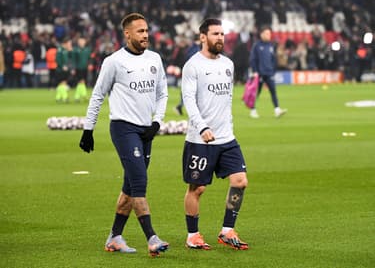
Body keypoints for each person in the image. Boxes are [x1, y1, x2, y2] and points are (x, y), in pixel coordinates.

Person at [79, 13, 169, 257]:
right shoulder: (114, 61)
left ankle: (114, 237)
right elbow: (98, 95)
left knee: (129, 186)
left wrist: (157, 122)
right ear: (127, 34)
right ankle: (152, 237)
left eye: (147, 30)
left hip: (146, 131)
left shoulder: (155, 59)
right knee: (139, 181)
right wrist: (88, 129)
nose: (146, 35)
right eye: (140, 31)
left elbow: (162, 94)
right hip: (123, 128)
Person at [181, 18, 249, 250]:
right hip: (200, 139)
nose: (220, 37)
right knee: (197, 189)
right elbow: (188, 100)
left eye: (222, 34)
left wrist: (225, 127)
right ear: (202, 37)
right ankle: (193, 235)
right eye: (215, 34)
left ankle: (227, 230)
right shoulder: (193, 65)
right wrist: (202, 127)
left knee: (240, 181)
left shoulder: (228, 64)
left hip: (226, 138)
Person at [249, 25, 287, 118]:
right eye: (266, 33)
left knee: (273, 91)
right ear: (261, 34)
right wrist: (255, 71)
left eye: (269, 33)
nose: (269, 35)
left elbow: (273, 59)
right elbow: (253, 59)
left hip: (269, 73)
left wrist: (273, 70)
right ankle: (253, 110)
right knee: (257, 92)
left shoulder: (271, 45)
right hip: (259, 73)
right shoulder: (257, 46)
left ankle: (277, 110)